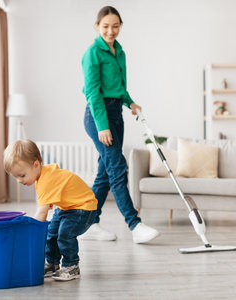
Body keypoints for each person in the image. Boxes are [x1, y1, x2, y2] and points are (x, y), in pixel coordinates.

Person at [81, 6, 160, 243]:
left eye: (115, 26)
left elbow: (118, 88)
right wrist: (102, 126)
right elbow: (94, 93)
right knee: (117, 167)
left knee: (105, 174)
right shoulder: (93, 53)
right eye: (105, 26)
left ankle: (88, 224)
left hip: (116, 114)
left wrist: (131, 103)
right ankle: (134, 225)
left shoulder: (119, 52)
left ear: (120, 26)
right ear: (97, 26)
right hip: (98, 117)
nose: (111, 30)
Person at [4, 139, 97, 281]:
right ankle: (52, 263)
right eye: (15, 177)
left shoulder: (46, 181)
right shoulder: (42, 176)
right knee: (51, 232)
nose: (19, 181)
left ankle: (71, 265)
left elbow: (42, 213)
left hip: (83, 208)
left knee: (64, 234)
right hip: (67, 207)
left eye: (22, 175)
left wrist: (30, 233)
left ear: (36, 165)